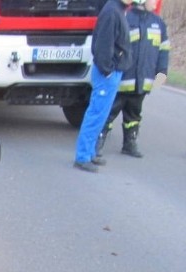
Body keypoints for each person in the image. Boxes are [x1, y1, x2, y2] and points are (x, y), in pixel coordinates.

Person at [97, 0, 170, 159]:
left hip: (142, 81)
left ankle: (129, 144)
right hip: (123, 79)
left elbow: (163, 50)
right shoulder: (125, 18)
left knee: (134, 114)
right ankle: (97, 143)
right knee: (109, 113)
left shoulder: (158, 23)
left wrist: (162, 72)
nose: (155, 3)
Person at [74, 0, 135, 173]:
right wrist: (107, 70)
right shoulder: (111, 12)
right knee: (95, 114)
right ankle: (82, 157)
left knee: (101, 115)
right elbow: (103, 46)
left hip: (113, 71)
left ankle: (90, 152)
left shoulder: (118, 10)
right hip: (107, 72)